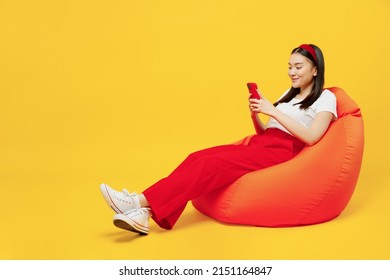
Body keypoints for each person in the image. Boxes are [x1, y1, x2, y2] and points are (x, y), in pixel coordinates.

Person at [99, 44, 338, 235]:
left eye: (298, 66)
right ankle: (145, 214)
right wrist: (256, 114)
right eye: (289, 66)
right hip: (263, 145)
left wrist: (273, 110)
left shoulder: (326, 98)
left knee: (207, 165)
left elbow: (313, 137)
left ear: (315, 69)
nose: (291, 72)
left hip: (283, 152)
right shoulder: (288, 95)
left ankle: (136, 201)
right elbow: (264, 134)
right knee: (198, 157)